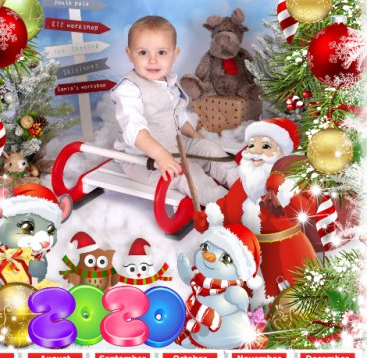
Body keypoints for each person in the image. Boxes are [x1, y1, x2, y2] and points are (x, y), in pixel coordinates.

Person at [111, 15, 237, 206]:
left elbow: (177, 115)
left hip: (174, 143)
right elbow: (133, 129)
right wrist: (160, 154)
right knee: (188, 173)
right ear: (130, 55)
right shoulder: (128, 89)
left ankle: (243, 185)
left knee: (211, 149)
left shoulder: (168, 80)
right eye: (143, 52)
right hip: (143, 158)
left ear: (175, 54)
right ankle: (225, 204)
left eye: (162, 52)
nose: (153, 60)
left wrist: (196, 137)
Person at [193, 117, 319, 305]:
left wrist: (282, 188)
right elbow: (227, 207)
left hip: (285, 257)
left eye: (266, 146)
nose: (255, 152)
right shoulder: (244, 184)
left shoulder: (290, 184)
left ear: (282, 153)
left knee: (289, 304)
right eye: (252, 145)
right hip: (248, 259)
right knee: (247, 303)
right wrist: (209, 218)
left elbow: (307, 209)